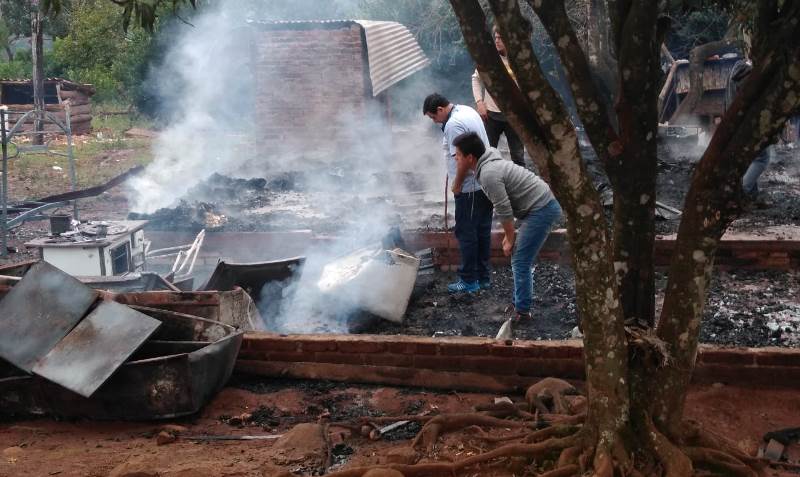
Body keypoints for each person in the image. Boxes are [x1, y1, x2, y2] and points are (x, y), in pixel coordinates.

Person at [452, 131, 562, 320]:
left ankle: (523, 311)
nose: (456, 159)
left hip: (542, 209)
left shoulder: (488, 174)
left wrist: (509, 238)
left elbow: (503, 208)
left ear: (470, 158)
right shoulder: (487, 164)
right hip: (538, 206)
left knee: (520, 259)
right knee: (519, 257)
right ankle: (519, 302)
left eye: (458, 155)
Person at [423, 93, 493, 293]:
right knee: (482, 232)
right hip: (485, 183)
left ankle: (469, 281)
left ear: (440, 110)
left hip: (470, 187)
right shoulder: (467, 109)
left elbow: (463, 160)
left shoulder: (453, 124)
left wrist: (457, 184)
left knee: (466, 233)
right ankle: (483, 277)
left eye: (433, 117)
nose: (434, 122)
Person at [472, 28, 525, 167]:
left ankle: (520, 186)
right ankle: (487, 185)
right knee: (487, 154)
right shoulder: (490, 58)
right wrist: (479, 102)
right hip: (491, 115)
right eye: (495, 37)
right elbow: (476, 79)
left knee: (518, 156)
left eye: (500, 38)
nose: (496, 41)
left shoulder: (521, 59)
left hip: (515, 116)